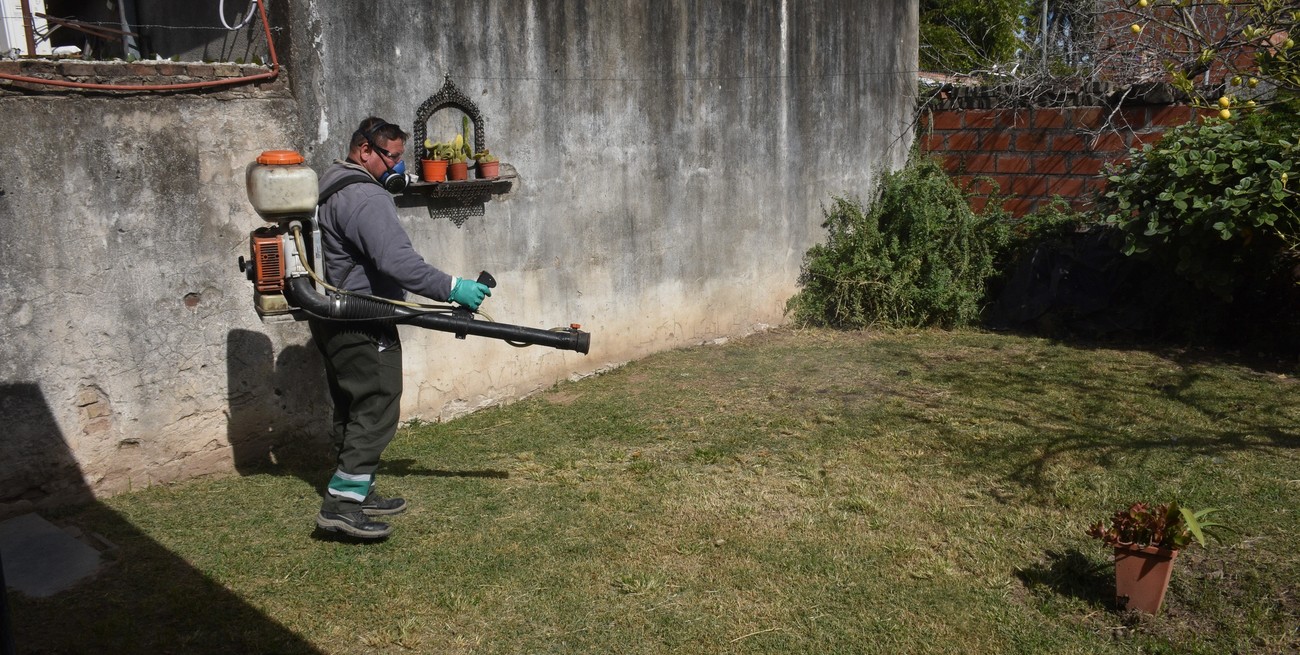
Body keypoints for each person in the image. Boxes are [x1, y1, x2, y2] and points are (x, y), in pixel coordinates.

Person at [310, 116, 492, 539]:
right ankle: (341, 507)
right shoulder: (365, 196)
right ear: (365, 151)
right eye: (391, 157)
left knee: (353, 407)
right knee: (377, 405)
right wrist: (453, 287)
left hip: (334, 316)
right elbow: (397, 262)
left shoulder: (331, 183)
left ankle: (358, 489)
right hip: (364, 317)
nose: (398, 167)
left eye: (399, 157)